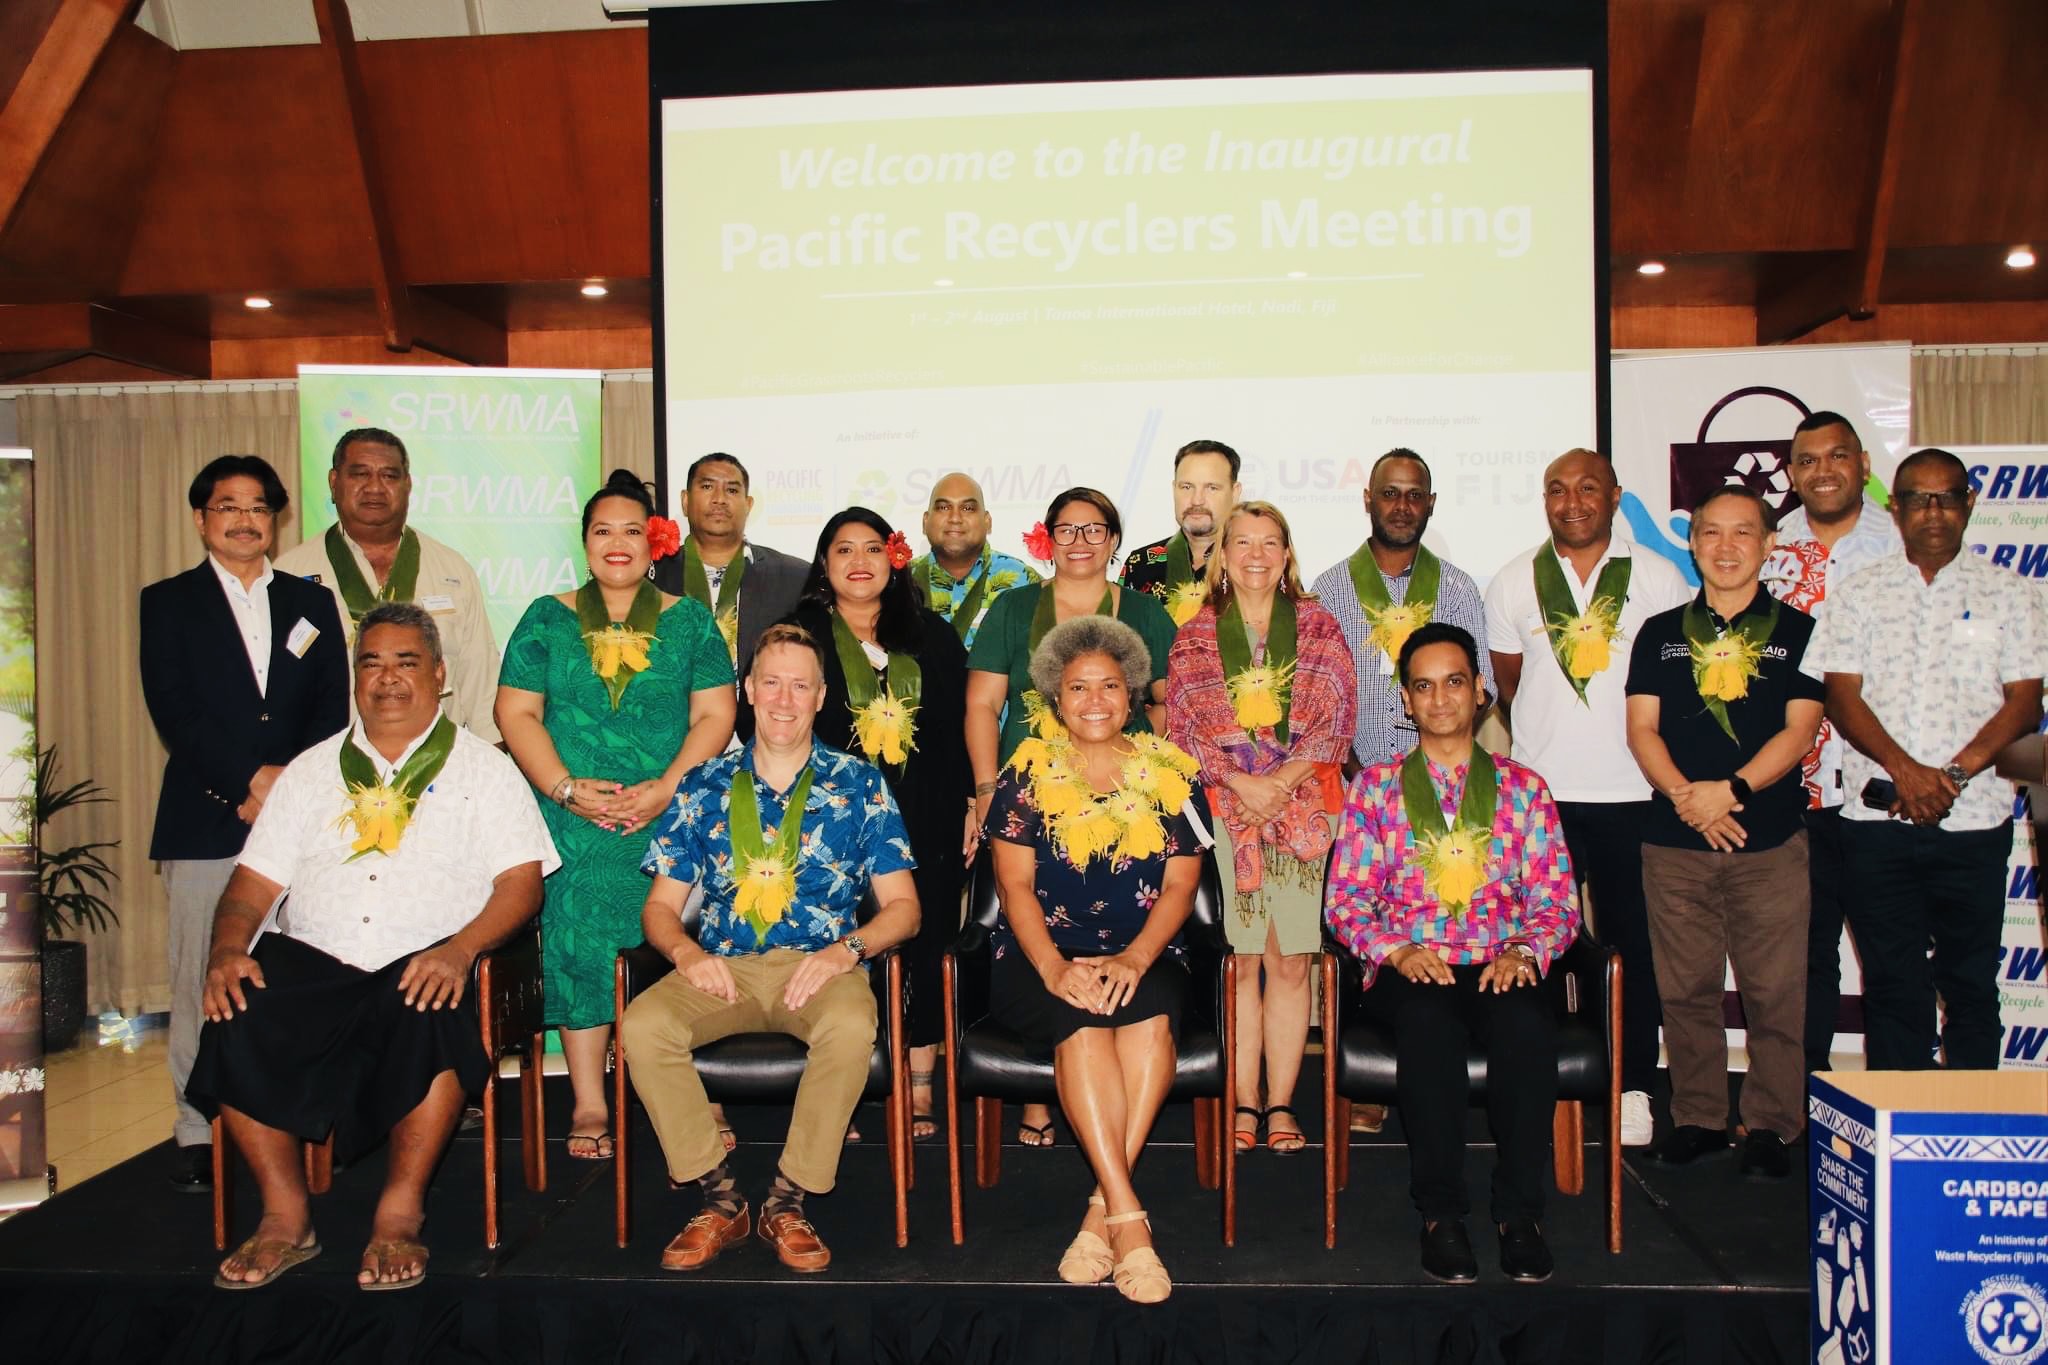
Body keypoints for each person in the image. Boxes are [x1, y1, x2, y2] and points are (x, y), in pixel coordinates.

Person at [189, 603, 558, 1290]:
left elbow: (521, 886)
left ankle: (398, 1213)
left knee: (433, 997)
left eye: (406, 662)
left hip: (423, 959)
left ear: (440, 674)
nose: (387, 679)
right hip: (315, 963)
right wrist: (227, 949)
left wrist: (460, 948)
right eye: (372, 663)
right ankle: (284, 1214)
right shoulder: (309, 771)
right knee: (237, 1000)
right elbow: (250, 885)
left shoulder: (485, 769)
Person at [621, 624, 922, 1274]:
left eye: (801, 685)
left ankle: (787, 1200)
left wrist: (849, 950)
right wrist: (685, 953)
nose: (785, 699)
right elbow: (659, 910)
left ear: (820, 697)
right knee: (643, 1026)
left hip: (822, 964)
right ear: (748, 690)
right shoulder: (702, 783)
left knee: (849, 1024)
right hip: (721, 966)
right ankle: (720, 1197)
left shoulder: (859, 784)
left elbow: (905, 910)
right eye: (772, 682)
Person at [1325, 623, 1579, 1285]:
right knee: (1430, 1025)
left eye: (1455, 681)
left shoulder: (1525, 788)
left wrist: (1526, 948)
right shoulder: (1375, 791)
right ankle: (1441, 1215)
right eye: (1424, 685)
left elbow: (1557, 901)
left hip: (1502, 959)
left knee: (1527, 1025)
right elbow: (1346, 901)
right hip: (1414, 965)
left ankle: (1519, 1214)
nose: (1440, 698)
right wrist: (1395, 947)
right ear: (1405, 701)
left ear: (1481, 692)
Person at [495, 470, 737, 1161]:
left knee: (689, 932)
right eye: (603, 531)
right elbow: (516, 710)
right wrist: (566, 788)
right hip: (572, 814)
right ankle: (590, 1101)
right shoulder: (548, 616)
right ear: (585, 542)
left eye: (633, 529)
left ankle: (697, 1091)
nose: (618, 543)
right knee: (575, 926)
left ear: (656, 540)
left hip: (670, 811)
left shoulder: (687, 620)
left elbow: (716, 713)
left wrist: (666, 788)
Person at [140, 455, 350, 1193]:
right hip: (207, 817)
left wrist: (288, 792)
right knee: (205, 970)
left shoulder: (310, 603)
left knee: (296, 975)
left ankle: (290, 1116)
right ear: (202, 519)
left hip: (301, 821)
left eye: (258, 507)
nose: (243, 519)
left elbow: (332, 709)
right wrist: (245, 784)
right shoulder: (167, 603)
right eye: (227, 506)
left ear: (276, 518)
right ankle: (198, 1127)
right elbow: (176, 712)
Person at [987, 616, 1206, 1303]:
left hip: (1145, 951)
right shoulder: (1024, 771)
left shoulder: (1170, 772)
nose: (1093, 700)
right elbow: (1014, 887)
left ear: (1132, 693)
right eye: (1077, 686)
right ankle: (1132, 1228)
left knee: (1149, 1025)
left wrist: (1139, 958)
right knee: (1080, 1021)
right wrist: (1055, 967)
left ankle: (1098, 1215)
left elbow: (1182, 884)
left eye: (1109, 685)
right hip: (1039, 955)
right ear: (1056, 698)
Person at [1807, 448, 2047, 1070]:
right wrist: (1908, 774)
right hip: (1877, 827)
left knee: (1970, 986)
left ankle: (1969, 1128)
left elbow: (2024, 703)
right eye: (1918, 498)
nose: (1933, 511)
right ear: (1897, 508)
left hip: (1973, 825)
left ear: (1969, 504)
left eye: (1947, 497)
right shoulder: (1859, 594)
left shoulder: (2011, 593)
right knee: (1892, 988)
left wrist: (1955, 774)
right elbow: (1841, 694)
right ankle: (1899, 1135)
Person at [1481, 447, 1689, 1148]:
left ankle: (1632, 1084)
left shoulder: (1659, 578)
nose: (1573, 501)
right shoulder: (1513, 580)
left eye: (1588, 488)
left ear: (1616, 496)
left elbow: (1676, 683)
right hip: (1542, 801)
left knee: (1636, 947)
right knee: (1538, 945)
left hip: (1637, 793)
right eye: (1557, 489)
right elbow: (1509, 685)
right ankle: (1539, 1078)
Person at [967, 486, 1178, 1149]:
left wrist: (1162, 780)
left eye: (1096, 530)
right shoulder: (1013, 607)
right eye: (1068, 529)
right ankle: (1046, 1095)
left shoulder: (1144, 611)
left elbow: (1169, 706)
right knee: (1042, 908)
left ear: (1115, 540)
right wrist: (983, 788)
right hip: (1037, 793)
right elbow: (981, 705)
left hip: (1126, 792)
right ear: (1046, 538)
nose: (1082, 541)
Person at [1625, 487, 1825, 1180]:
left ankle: (1772, 1122)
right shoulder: (1659, 630)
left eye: (1743, 532)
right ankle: (1701, 1116)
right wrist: (1686, 797)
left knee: (1775, 991)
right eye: (1711, 532)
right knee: (1685, 990)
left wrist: (1730, 791)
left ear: (1769, 544)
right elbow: (1642, 728)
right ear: (1694, 543)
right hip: (1676, 839)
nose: (1726, 546)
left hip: (1767, 840)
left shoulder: (1800, 631)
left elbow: (1800, 728)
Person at [1166, 502, 1355, 1156]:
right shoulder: (1194, 633)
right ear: (1222, 554)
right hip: (1225, 811)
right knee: (1242, 959)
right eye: (1241, 541)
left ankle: (1281, 1103)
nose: (1254, 553)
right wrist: (1243, 784)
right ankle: (1243, 1101)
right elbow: (1183, 728)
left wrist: (1277, 783)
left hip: (1306, 807)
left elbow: (1338, 720)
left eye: (1268, 541)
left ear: (1286, 552)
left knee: (1291, 959)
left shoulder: (1320, 625)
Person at [786, 507, 972, 1141]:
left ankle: (920, 1085)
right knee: (838, 943)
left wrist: (971, 804)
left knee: (924, 940)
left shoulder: (931, 634)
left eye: (873, 548)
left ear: (894, 558)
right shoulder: (799, 634)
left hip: (927, 813)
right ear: (824, 564)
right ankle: (845, 1088)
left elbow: (954, 730)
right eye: (844, 550)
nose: (859, 561)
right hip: (826, 819)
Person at [1760, 411, 1901, 1073]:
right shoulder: (1768, 548)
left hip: (1886, 785)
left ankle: (1902, 1107)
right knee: (1805, 954)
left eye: (1836, 456)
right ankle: (1801, 1100)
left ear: (1864, 464)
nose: (1823, 471)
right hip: (1798, 785)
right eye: (1808, 460)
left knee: (1891, 954)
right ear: (1792, 473)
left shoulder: (1905, 544)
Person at [275, 428, 502, 742]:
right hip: (326, 762)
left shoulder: (453, 571)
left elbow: (481, 679)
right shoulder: (286, 574)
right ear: (333, 482)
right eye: (360, 474)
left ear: (407, 485)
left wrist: (490, 763)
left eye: (389, 476)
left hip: (436, 763)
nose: (375, 487)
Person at [1311, 449, 1493, 771]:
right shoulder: (1328, 591)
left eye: (1414, 496)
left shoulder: (1458, 590)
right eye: (1390, 494)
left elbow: (1484, 688)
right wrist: (1360, 777)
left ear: (1431, 503)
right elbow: (1317, 699)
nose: (1402, 507)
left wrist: (1439, 760)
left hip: (1441, 780)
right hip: (1353, 785)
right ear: (1368, 499)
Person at [651, 452, 808, 734]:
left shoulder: (793, 577)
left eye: (732, 490)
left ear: (748, 505)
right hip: (673, 738)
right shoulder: (652, 577)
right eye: (707, 486)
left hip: (761, 739)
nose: (720, 499)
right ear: (685, 501)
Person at [910, 471, 1041, 646]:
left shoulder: (1023, 579)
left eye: (967, 508)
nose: (955, 518)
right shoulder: (900, 580)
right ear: (925, 521)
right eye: (943, 507)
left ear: (987, 521)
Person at [1120, 439, 1243, 626]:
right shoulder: (1140, 563)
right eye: (1186, 487)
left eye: (1212, 488)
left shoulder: (1258, 562)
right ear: (1173, 489)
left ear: (1235, 493)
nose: (1197, 500)